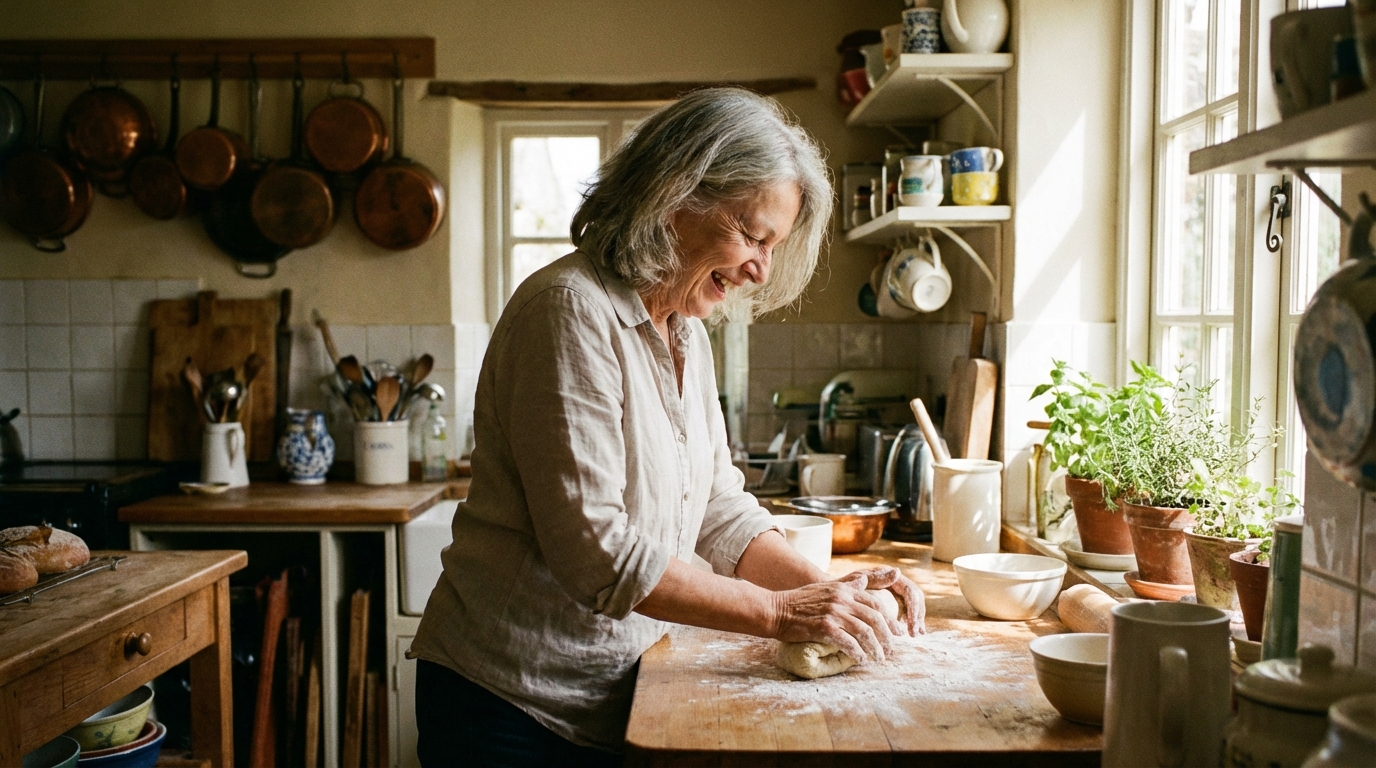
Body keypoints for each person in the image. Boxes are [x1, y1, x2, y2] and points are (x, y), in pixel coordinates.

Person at [409, 87, 926, 767]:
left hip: (610, 693)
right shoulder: (569, 312)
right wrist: (779, 615)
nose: (759, 269)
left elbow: (718, 510)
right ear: (674, 197)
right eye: (751, 234)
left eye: (772, 246)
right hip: (509, 703)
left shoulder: (684, 329)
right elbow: (597, 552)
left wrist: (826, 594)